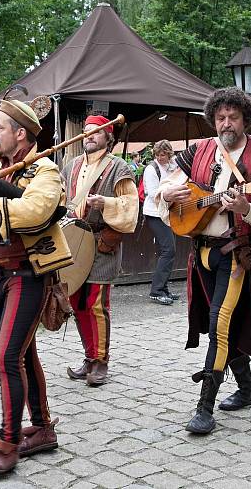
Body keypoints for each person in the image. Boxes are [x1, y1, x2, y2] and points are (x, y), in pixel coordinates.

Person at [157, 87, 251, 435]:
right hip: (200, 253)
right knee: (228, 323)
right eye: (220, 117)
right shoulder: (198, 149)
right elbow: (166, 187)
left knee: (219, 324)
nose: (226, 123)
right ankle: (245, 389)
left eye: (233, 117)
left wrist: (248, 208)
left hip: (236, 255)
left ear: (246, 119)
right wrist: (168, 193)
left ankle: (204, 408)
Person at [0, 99, 72, 474]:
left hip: (30, 275)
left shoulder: (46, 170)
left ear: (20, 133)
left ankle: (7, 444)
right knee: (23, 355)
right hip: (2, 275)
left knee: (5, 357)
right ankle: (41, 429)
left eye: (1, 128)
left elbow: (34, 212)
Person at [61, 115, 138, 386]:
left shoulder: (119, 168)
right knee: (77, 302)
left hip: (102, 240)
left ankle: (101, 361)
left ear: (108, 136)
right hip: (74, 242)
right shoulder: (70, 166)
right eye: (86, 132)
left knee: (95, 303)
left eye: (96, 132)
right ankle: (89, 357)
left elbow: (130, 206)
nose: (89, 136)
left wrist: (105, 202)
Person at [142, 139, 179, 305]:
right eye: (157, 155)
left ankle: (163, 289)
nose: (160, 157)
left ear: (169, 154)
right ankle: (156, 291)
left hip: (166, 213)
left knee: (169, 251)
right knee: (168, 250)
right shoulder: (152, 168)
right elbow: (151, 193)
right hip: (154, 213)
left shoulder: (171, 166)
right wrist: (169, 192)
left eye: (163, 154)